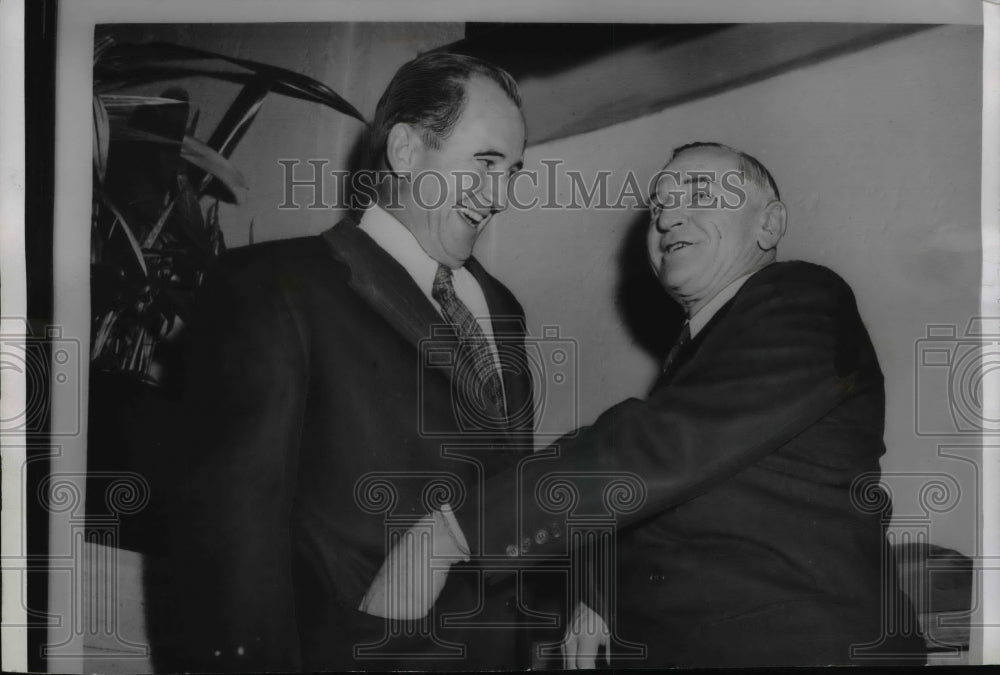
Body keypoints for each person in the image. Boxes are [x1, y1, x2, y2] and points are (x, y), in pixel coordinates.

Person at [369, 142, 927, 667]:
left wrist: (455, 530)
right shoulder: (701, 361)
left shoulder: (803, 296)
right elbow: (680, 490)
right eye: (659, 204)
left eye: (701, 195)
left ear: (770, 223)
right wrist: (599, 592)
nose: (667, 217)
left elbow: (663, 443)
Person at [154, 53, 542, 672]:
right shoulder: (272, 286)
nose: (500, 197)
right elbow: (228, 556)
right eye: (486, 163)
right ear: (408, 151)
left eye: (513, 171)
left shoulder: (504, 312)